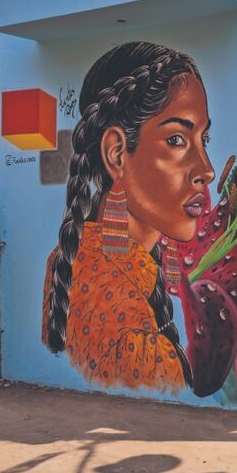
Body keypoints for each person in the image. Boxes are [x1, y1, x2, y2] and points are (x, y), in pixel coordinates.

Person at [42, 42, 215, 393]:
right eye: (178, 139)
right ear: (117, 154)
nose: (207, 170)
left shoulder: (72, 257)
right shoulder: (138, 348)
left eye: (204, 138)